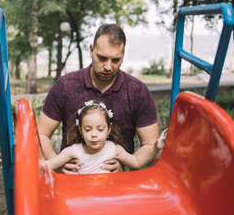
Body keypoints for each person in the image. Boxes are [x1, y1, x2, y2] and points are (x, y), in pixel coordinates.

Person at [38, 24, 160, 173]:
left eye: (115, 60)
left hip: (119, 182)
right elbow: (42, 133)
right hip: (72, 180)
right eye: (102, 58)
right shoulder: (65, 86)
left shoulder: (137, 91)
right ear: (91, 50)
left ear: (123, 56)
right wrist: (56, 162)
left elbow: (150, 144)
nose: (108, 67)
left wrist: (124, 165)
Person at [41, 100, 159, 174]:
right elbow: (47, 165)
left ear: (108, 129)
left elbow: (137, 162)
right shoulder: (73, 151)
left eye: (100, 129)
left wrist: (156, 146)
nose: (94, 134)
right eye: (88, 129)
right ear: (80, 130)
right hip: (80, 196)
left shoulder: (114, 149)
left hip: (105, 196)